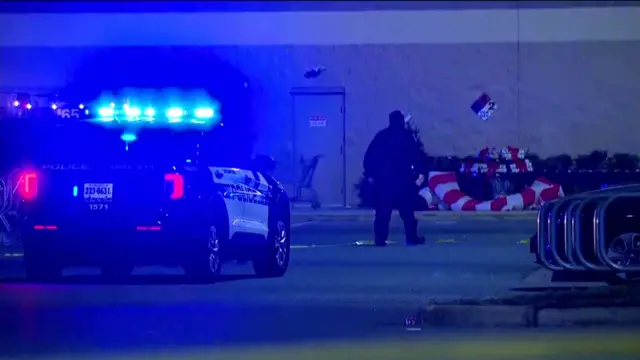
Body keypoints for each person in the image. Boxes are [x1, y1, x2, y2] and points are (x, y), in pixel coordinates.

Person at [363, 110, 426, 246]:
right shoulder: (407, 136)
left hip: (384, 180)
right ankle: (411, 237)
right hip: (403, 180)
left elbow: (370, 156)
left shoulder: (381, 136)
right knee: (407, 212)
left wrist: (369, 174)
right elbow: (416, 155)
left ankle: (380, 239)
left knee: (383, 212)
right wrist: (420, 173)